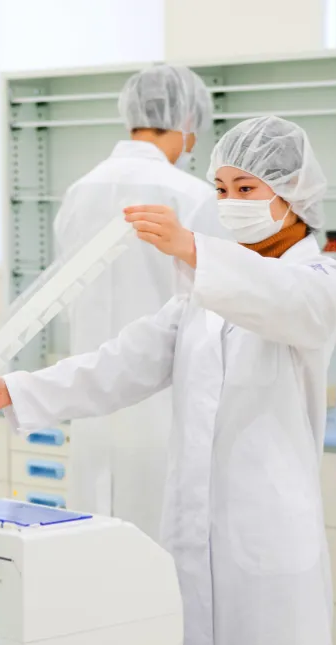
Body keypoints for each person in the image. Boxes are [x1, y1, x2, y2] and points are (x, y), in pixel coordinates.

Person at [0, 116, 336, 645]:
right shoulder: (200, 294)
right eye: (221, 189)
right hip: (192, 533)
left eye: (246, 188)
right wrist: (16, 389)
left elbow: (285, 303)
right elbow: (121, 364)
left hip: (267, 542)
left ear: (292, 191)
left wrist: (194, 247)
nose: (230, 202)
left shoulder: (321, 281)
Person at [51, 65, 227, 540]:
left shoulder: (79, 193)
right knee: (160, 555)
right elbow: (218, 306)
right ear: (187, 119)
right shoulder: (191, 196)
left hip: (90, 398)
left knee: (93, 548)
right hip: (163, 407)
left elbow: (67, 297)